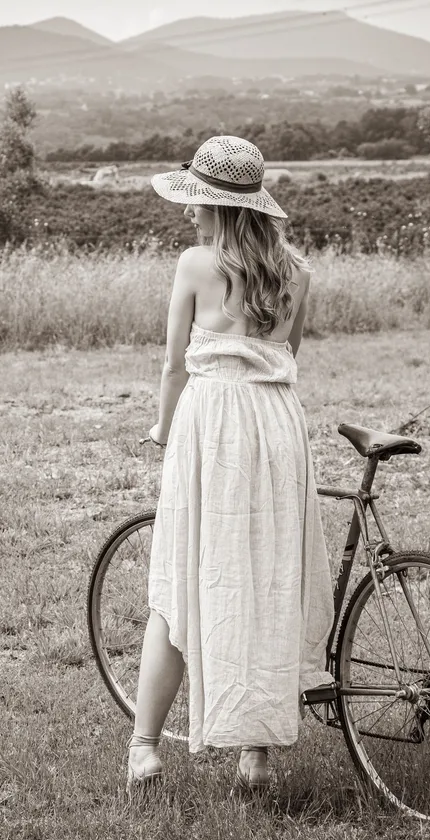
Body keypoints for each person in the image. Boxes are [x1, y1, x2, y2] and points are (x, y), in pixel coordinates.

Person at [128, 136, 335, 791]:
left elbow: (173, 365)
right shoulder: (297, 273)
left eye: (197, 201)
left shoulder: (195, 264)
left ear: (217, 207)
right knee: (267, 579)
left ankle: (144, 747)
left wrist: (162, 429)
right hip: (277, 427)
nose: (190, 212)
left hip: (211, 424)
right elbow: (286, 360)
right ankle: (254, 756)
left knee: (181, 576)